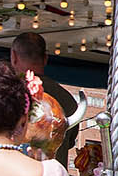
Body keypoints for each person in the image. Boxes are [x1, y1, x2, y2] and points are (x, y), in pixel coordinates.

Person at [11, 32, 78, 167]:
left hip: (11, 174)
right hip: (53, 174)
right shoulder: (67, 99)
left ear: (14, 57)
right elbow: (69, 142)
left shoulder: (5, 95)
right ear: (45, 58)